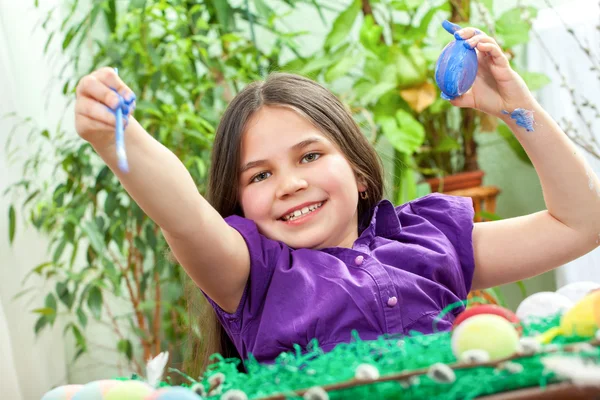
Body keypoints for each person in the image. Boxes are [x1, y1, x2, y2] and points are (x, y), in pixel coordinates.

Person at [74, 26, 600, 372]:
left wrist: (516, 107)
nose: (289, 183)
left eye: (308, 157)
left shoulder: (427, 239)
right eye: (259, 176)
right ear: (237, 205)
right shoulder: (251, 277)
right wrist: (117, 136)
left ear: (358, 171)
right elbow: (183, 215)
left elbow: (580, 223)